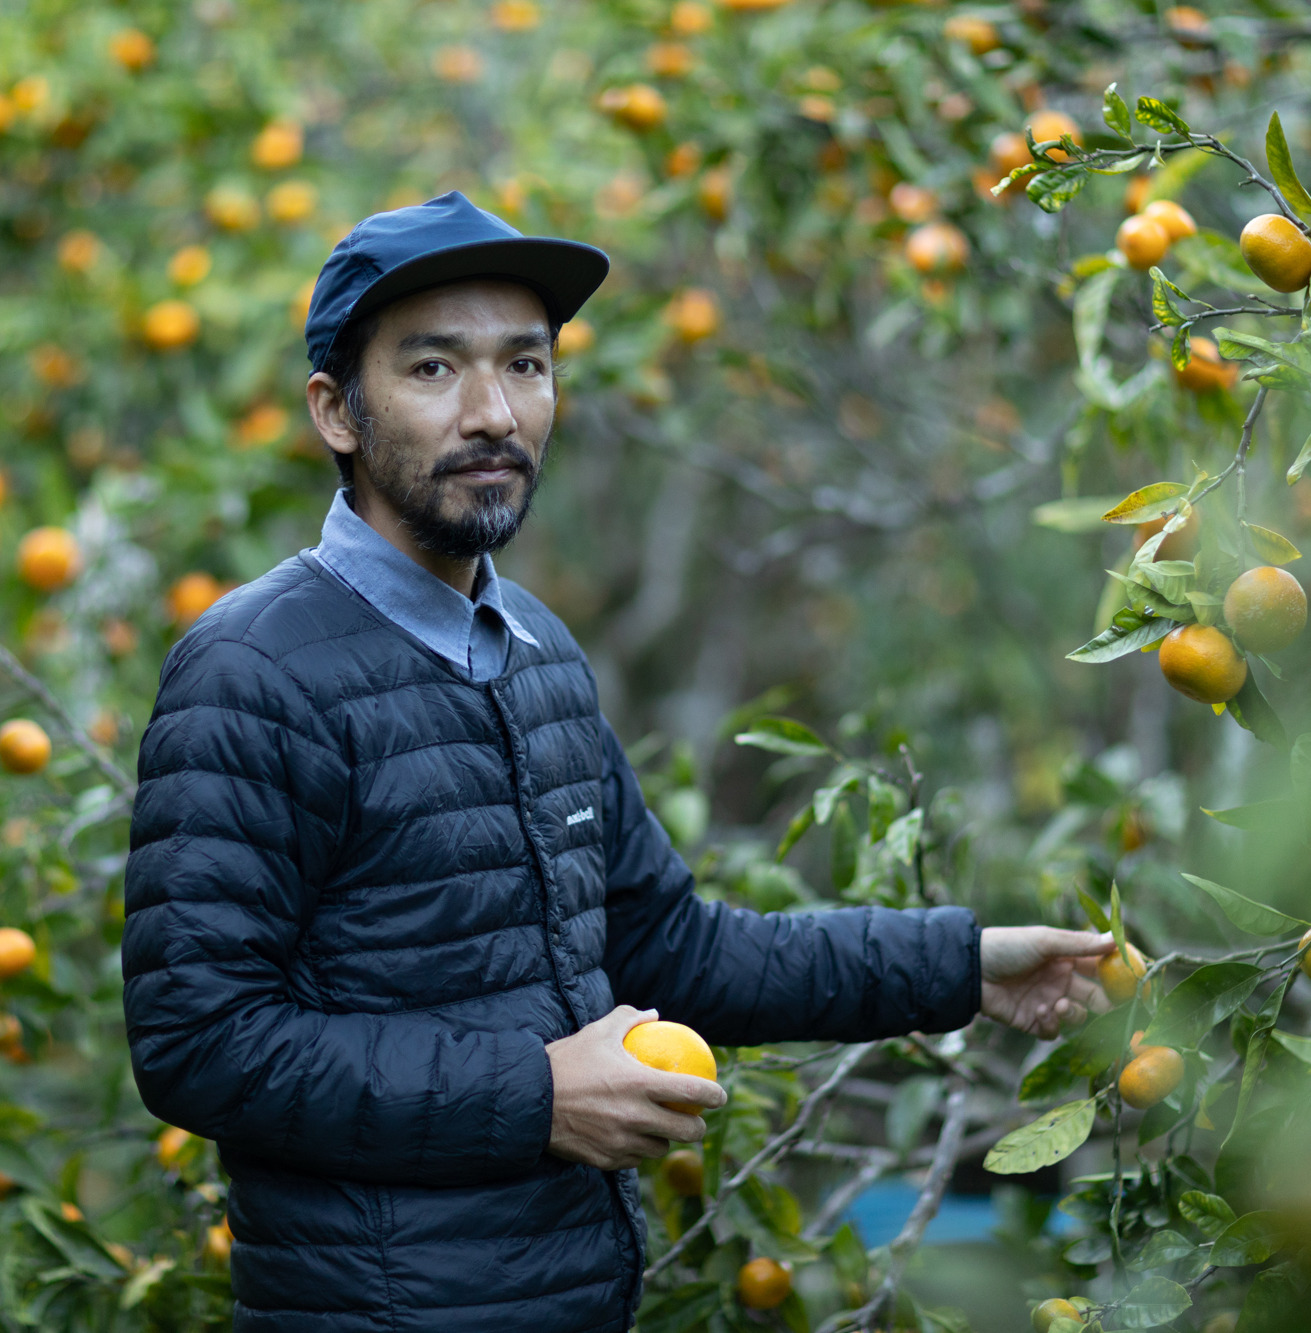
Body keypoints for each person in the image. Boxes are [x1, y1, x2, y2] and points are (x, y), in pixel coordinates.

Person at [121, 192, 1115, 1333]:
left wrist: (963, 966)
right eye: (434, 369)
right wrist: (536, 1097)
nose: (492, 412)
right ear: (335, 412)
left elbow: (669, 950)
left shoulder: (537, 650)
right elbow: (200, 1043)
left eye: (526, 366)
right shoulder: (254, 669)